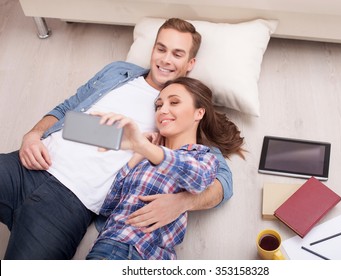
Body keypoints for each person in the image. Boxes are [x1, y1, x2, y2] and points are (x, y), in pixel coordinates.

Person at [0, 18, 232, 260]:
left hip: (70, 202)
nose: (165, 60)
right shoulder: (118, 72)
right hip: (26, 165)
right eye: (161, 49)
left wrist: (182, 202)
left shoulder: (181, 113)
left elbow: (223, 182)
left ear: (190, 63)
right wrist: (33, 134)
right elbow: (67, 108)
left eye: (177, 54)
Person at [86, 77, 245, 260]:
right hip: (114, 249)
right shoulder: (144, 158)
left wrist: (148, 149)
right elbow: (108, 207)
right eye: (159, 106)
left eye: (174, 102)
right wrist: (139, 153)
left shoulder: (203, 156)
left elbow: (198, 180)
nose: (163, 110)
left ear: (199, 113)